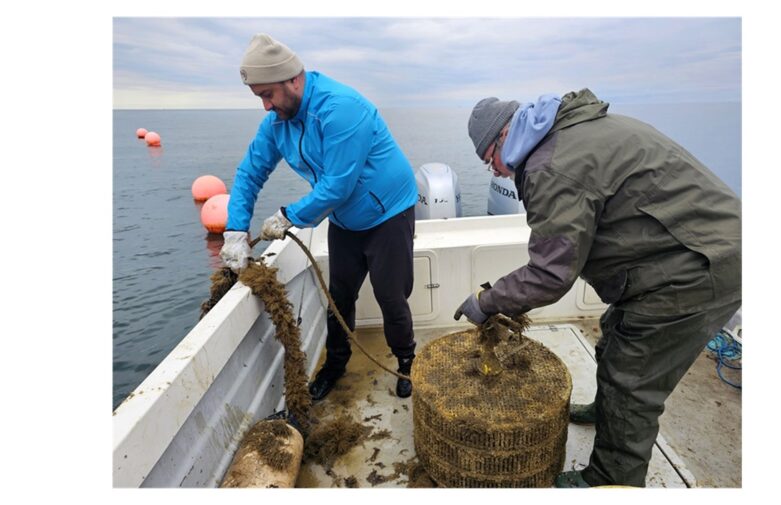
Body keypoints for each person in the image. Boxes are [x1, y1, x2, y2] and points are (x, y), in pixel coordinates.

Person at [455, 90, 741, 487]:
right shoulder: (576, 130)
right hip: (683, 249)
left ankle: (610, 481)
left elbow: (550, 274)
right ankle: (607, 412)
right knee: (614, 338)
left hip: (696, 265)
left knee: (631, 381)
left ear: (504, 137)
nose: (498, 173)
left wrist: (485, 302)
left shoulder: (550, 167)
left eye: (491, 162)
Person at [220, 34, 419, 400]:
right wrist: (235, 229)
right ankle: (335, 364)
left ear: (293, 80)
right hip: (344, 219)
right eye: (259, 97)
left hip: (388, 211)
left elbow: (338, 184)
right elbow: (250, 172)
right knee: (339, 295)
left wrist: (287, 216)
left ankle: (406, 361)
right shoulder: (277, 123)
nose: (265, 106)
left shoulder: (341, 108)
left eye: (269, 95)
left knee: (391, 295)